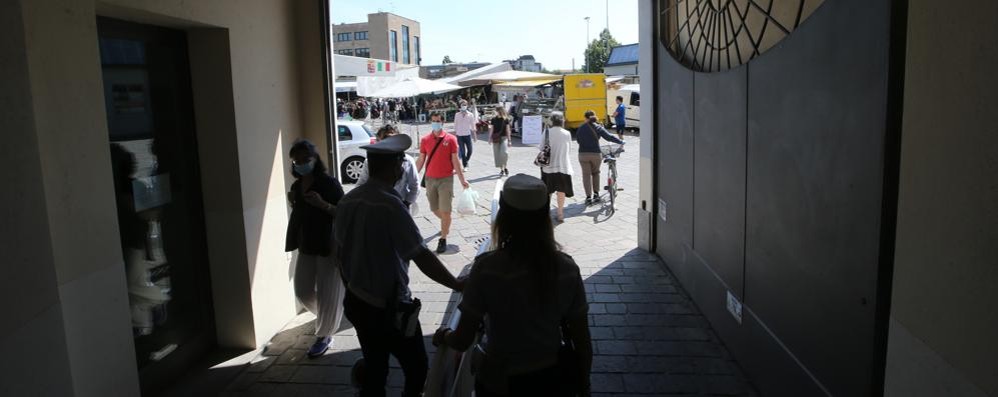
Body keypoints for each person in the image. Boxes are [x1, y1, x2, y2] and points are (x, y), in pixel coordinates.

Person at [433, 174, 593, 397]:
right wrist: (584, 385)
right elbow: (582, 339)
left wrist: (444, 335)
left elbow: (463, 339)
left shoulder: (486, 269)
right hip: (551, 379)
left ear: (504, 217)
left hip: (500, 380)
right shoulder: (566, 268)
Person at [336, 134, 465, 397]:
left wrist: (350, 286)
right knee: (416, 368)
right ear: (395, 166)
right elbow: (421, 254)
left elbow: (338, 252)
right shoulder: (390, 204)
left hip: (358, 300)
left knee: (375, 366)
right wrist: (456, 284)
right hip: (389, 308)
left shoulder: (349, 200)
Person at [284, 139, 346, 358]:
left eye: (305, 159)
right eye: (297, 160)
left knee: (329, 291)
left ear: (315, 159)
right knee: (303, 291)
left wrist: (323, 204)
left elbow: (345, 213)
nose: (301, 163)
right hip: (306, 243)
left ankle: (325, 335)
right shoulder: (296, 186)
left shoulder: (328, 183)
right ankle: (330, 315)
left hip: (328, 242)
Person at [416, 113, 470, 254]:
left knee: (445, 210)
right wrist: (413, 175)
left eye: (438, 121)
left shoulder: (451, 139)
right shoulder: (425, 139)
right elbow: (421, 159)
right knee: (434, 209)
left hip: (446, 180)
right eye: (433, 121)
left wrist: (462, 179)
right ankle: (446, 222)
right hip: (429, 179)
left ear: (443, 122)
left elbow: (455, 161)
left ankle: (443, 238)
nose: (436, 123)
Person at [357, 125, 419, 211]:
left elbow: (414, 185)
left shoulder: (407, 160)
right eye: (386, 138)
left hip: (400, 206)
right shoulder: (370, 162)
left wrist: (406, 203)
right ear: (379, 140)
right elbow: (361, 184)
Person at [576, 110, 624, 206]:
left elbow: (578, 140)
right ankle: (596, 195)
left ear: (585, 118)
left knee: (586, 175)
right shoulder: (598, 127)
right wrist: (620, 141)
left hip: (583, 154)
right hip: (596, 154)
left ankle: (588, 197)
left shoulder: (581, 128)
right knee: (595, 173)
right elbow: (609, 137)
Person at [539, 113, 574, 222]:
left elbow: (541, 148)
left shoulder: (547, 132)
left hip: (548, 167)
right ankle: (560, 213)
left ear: (552, 121)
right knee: (561, 191)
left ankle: (546, 213)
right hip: (563, 166)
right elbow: (569, 149)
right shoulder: (567, 133)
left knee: (548, 191)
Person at [453, 100, 477, 169]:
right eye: (462, 105)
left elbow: (473, 125)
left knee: (470, 150)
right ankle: (465, 165)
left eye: (465, 105)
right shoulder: (457, 115)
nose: (464, 106)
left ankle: (466, 160)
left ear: (467, 105)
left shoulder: (470, 114)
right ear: (460, 106)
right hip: (459, 135)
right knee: (462, 151)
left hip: (467, 134)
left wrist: (475, 136)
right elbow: (455, 125)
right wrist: (455, 135)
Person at [490, 106, 513, 177]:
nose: (495, 112)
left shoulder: (506, 119)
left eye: (496, 110)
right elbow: (492, 129)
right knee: (497, 154)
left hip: (504, 138)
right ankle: (502, 169)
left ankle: (505, 167)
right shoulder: (493, 119)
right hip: (496, 138)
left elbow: (508, 130)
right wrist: (489, 138)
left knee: (504, 153)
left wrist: (509, 140)